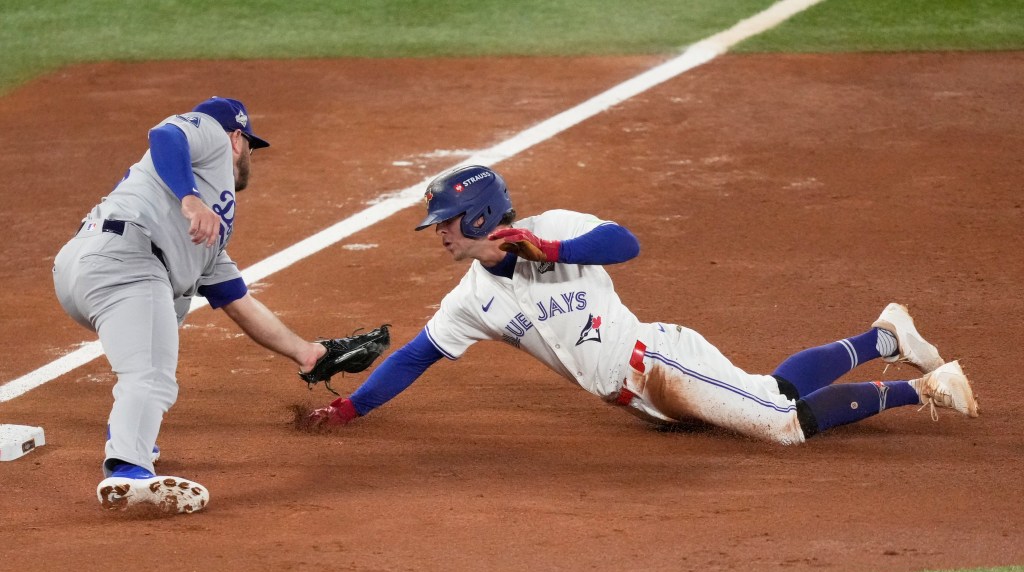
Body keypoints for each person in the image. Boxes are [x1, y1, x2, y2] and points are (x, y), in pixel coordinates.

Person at [305, 164, 978, 442]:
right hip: (641, 401)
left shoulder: (558, 230)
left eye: (448, 224)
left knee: (780, 422)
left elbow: (625, 243)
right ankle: (883, 337)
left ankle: (925, 390)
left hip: (659, 360)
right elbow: (417, 357)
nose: (441, 236)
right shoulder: (471, 299)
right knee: (768, 389)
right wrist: (348, 406)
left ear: (480, 219)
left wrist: (550, 251)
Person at [53, 97, 327, 514]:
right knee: (151, 374)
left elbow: (235, 298)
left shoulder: (209, 231)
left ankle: (131, 436)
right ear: (238, 139)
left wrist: (306, 353)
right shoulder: (211, 135)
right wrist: (190, 198)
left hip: (89, 266)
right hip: (125, 260)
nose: (250, 157)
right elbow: (165, 136)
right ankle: (129, 469)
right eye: (251, 146)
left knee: (155, 337)